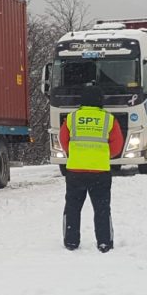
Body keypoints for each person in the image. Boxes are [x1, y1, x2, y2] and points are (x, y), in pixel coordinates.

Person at [59, 85, 124, 253]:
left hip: (75, 171)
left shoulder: (72, 118)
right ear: (100, 101)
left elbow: (63, 140)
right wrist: (101, 156)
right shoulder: (108, 119)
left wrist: (74, 153)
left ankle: (71, 241)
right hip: (100, 172)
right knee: (102, 209)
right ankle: (104, 242)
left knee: (73, 207)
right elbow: (117, 146)